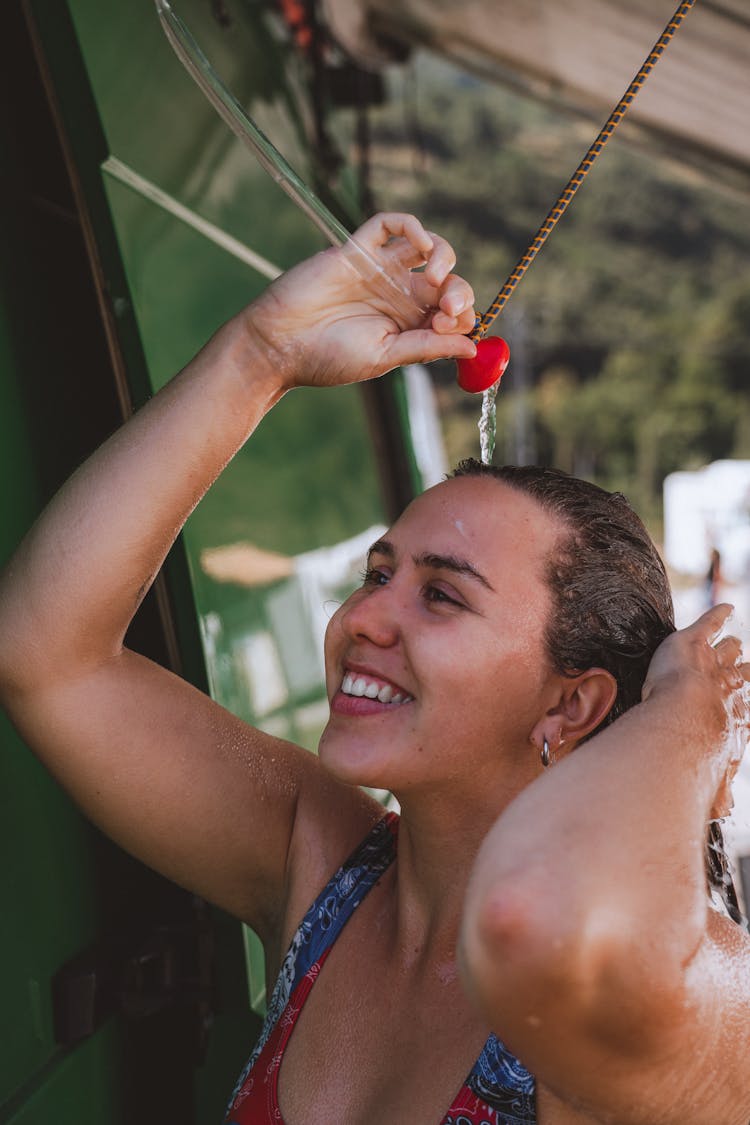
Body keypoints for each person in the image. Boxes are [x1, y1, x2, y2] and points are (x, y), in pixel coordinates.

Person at [0, 213, 748, 1125]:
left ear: (571, 703)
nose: (362, 618)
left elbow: (549, 937)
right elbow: (51, 654)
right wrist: (260, 353)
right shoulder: (322, 864)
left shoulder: (702, 981)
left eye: (442, 596)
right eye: (378, 572)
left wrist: (686, 732)